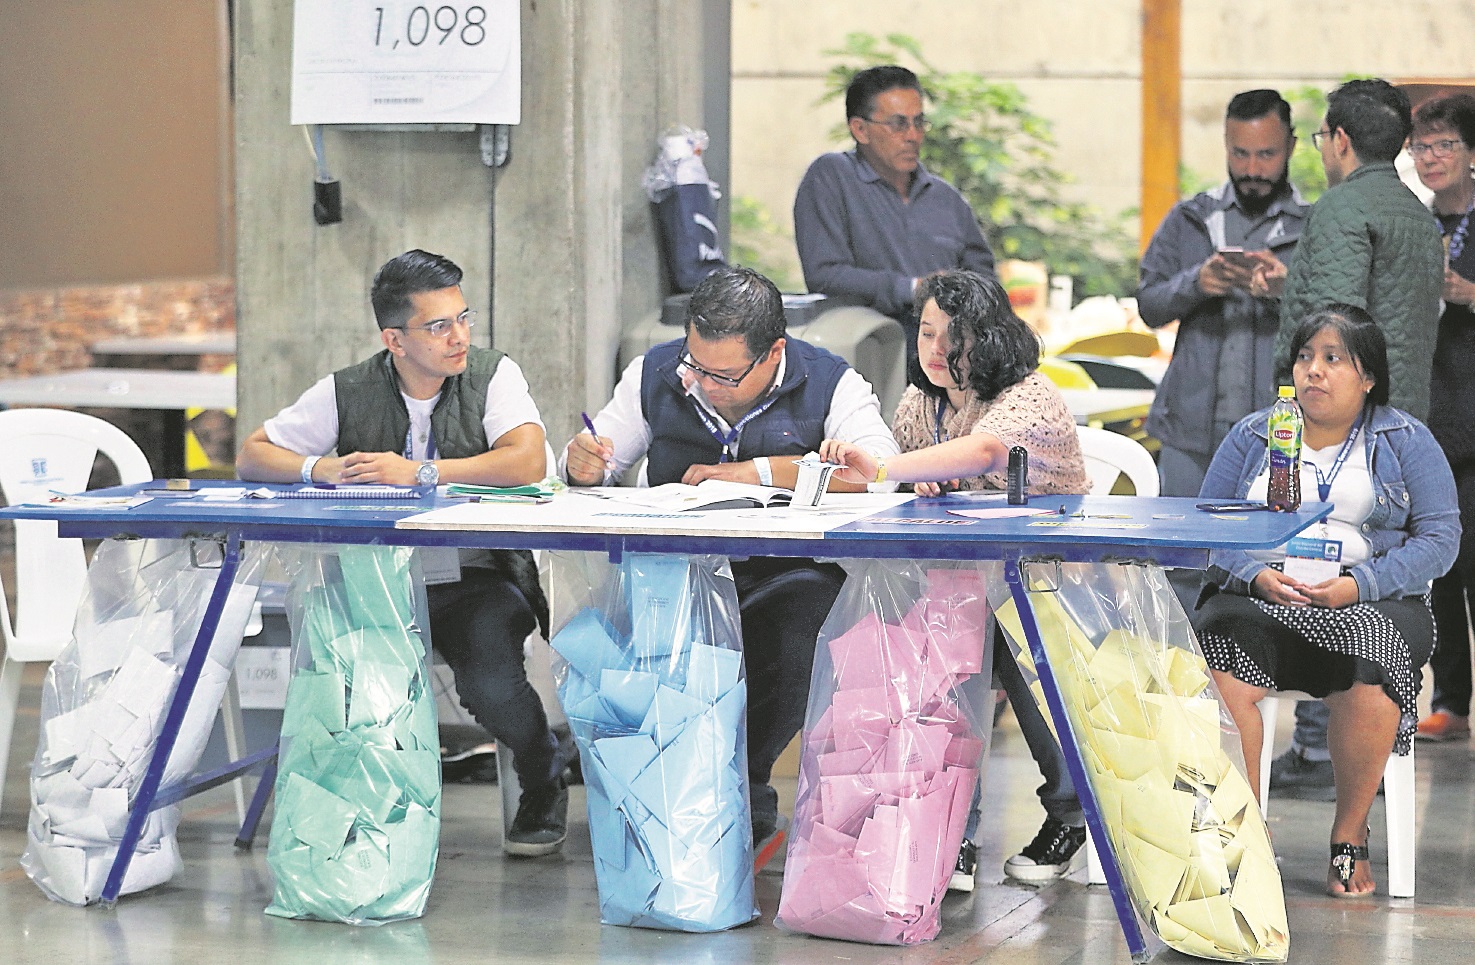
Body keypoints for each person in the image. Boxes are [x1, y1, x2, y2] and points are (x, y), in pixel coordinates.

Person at [236, 249, 570, 856]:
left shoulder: (494, 375)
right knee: (339, 682)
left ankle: (542, 769)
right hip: (374, 583)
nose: (459, 337)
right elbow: (252, 455)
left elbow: (528, 460)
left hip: (476, 579)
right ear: (395, 338)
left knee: (492, 682)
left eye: (464, 318)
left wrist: (419, 472)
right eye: (438, 326)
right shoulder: (347, 389)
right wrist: (321, 468)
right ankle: (354, 817)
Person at [562, 265, 900, 850]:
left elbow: (877, 474)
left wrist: (760, 471)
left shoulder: (831, 383)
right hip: (676, 574)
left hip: (782, 575)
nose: (701, 384)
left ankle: (743, 783)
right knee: (613, 639)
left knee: (807, 629)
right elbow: (599, 459)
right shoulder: (656, 373)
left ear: (774, 352)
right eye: (694, 366)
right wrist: (582, 466)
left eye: (723, 376)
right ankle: (665, 798)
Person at [820, 269, 1091, 892]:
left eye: (954, 336)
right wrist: (917, 480)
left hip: (1049, 586)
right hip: (961, 586)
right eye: (925, 333)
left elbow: (985, 453)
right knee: (932, 648)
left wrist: (887, 467)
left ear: (990, 336)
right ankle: (948, 826)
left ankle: (1072, 817)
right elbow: (925, 482)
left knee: (1020, 649)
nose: (935, 351)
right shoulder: (920, 404)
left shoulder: (1029, 395)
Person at [1193, 305, 1458, 898]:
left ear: (1368, 377)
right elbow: (1206, 528)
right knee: (1221, 659)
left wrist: (1357, 586)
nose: (1314, 370)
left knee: (1377, 661)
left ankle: (1349, 836)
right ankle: (1242, 837)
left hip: (1368, 594)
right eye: (1306, 357)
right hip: (1265, 593)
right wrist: (1257, 574)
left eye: (1333, 358)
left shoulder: (1405, 439)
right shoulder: (1254, 433)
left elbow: (1441, 542)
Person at [1268, 79, 1445, 792]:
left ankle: (1318, 745)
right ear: (1400, 142)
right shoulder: (1416, 214)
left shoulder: (1342, 207)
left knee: (1317, 574)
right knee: (1378, 592)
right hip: (1404, 434)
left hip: (1338, 440)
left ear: (1338, 140)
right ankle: (1367, 752)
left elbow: (1332, 330)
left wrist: (1298, 418)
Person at [1138, 89, 1310, 499]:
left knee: (1266, 554)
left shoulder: (1312, 226)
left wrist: (1291, 291)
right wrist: (1196, 284)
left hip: (1282, 428)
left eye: (1266, 154)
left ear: (1291, 147)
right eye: (1240, 154)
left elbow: (1342, 323)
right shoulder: (1190, 218)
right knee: (1183, 555)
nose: (1252, 168)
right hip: (1190, 427)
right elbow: (1148, 305)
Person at [793, 65, 995, 363]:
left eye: (919, 123)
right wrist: (912, 289)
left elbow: (986, 281)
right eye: (898, 125)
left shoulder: (945, 198)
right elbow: (825, 275)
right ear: (860, 129)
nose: (912, 136)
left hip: (950, 365)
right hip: (869, 358)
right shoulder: (832, 178)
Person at [1409, 94, 1475, 742]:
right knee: (1442, 564)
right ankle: (1451, 701)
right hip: (1435, 417)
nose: (1430, 157)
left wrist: (1468, 294)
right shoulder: (1419, 222)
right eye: (1420, 146)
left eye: (1443, 145)